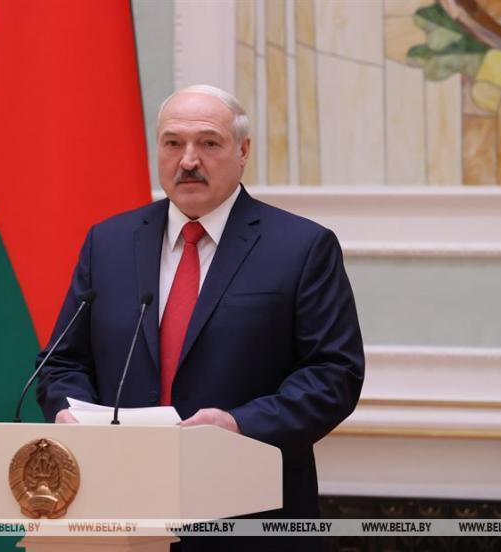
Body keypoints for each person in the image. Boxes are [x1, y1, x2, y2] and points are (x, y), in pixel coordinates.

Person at [36, 84, 364, 551]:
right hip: (119, 511)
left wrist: (238, 424)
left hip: (248, 515)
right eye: (173, 143)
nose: (188, 160)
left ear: (243, 151)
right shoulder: (109, 242)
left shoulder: (301, 247)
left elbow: (334, 375)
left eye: (209, 143)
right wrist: (70, 413)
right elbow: (62, 361)